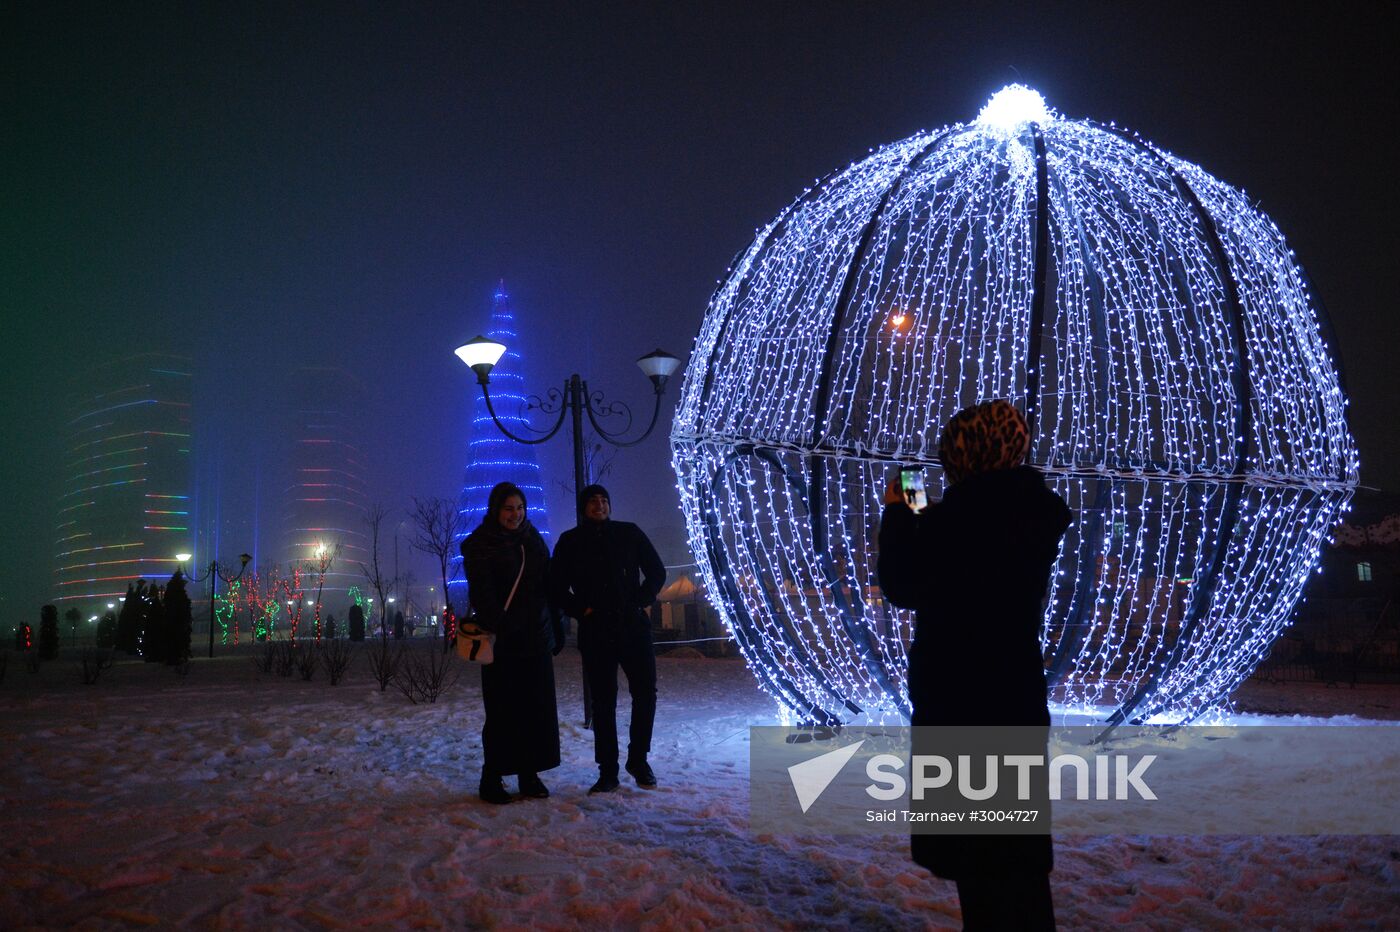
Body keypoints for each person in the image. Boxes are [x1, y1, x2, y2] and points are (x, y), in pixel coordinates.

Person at [878, 400, 1071, 931]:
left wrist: (901, 510)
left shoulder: (956, 523)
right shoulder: (1033, 514)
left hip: (959, 701)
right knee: (1014, 858)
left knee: (981, 862)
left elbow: (903, 581)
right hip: (1012, 696)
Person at [551, 484, 666, 793]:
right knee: (604, 702)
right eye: (592, 501)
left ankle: (638, 760)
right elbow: (556, 587)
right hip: (596, 630)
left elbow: (656, 571)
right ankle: (608, 770)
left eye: (604, 500)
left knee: (645, 694)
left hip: (632, 626)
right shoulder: (570, 542)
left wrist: (640, 600)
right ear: (583, 508)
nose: (599, 505)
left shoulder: (629, 533)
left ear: (610, 505)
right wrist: (581, 610)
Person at [462, 481, 566, 804]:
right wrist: (503, 625)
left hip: (536, 638)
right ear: (495, 509)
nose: (515, 515)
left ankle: (529, 774)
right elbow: (483, 594)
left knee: (536, 709)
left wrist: (557, 627)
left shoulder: (532, 539)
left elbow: (548, 585)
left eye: (520, 508)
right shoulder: (481, 544)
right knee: (502, 711)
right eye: (508, 508)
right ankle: (491, 777)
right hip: (504, 641)